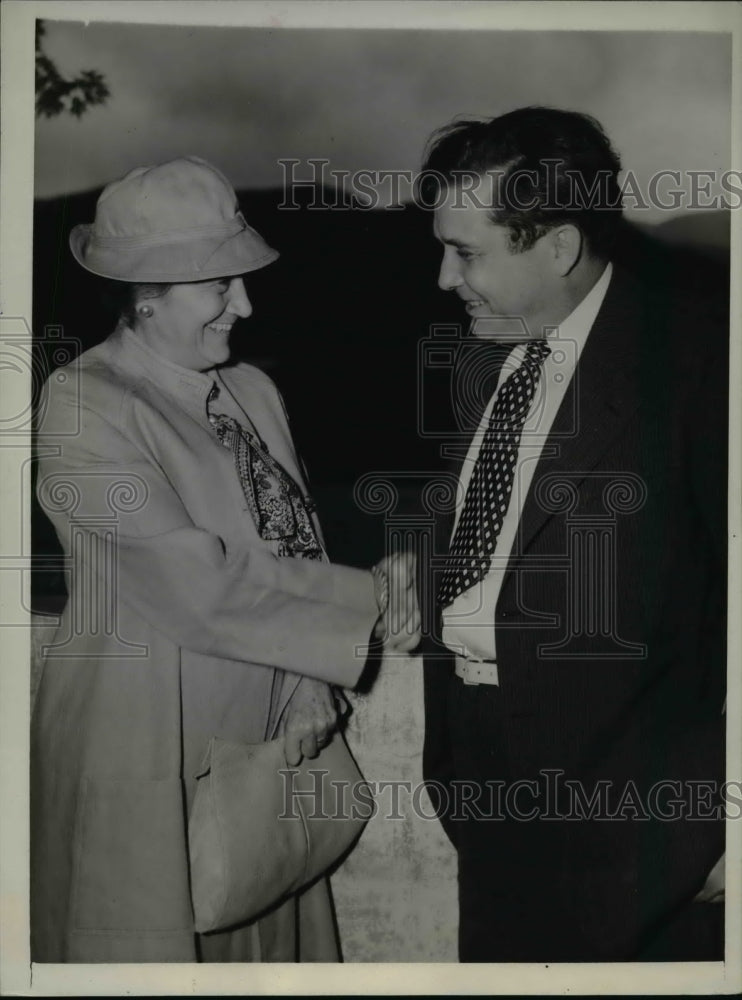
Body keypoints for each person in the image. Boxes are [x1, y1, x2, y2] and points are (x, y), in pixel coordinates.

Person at [31, 156, 420, 963]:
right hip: (147, 735)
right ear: (146, 295)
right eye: (220, 285)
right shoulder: (84, 402)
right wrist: (369, 601)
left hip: (268, 741)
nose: (245, 305)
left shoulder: (253, 390)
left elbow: (294, 540)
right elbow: (193, 582)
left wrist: (308, 681)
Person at [420, 107, 727, 961]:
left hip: (646, 844)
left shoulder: (702, 363)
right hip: (489, 814)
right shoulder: (492, 353)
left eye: (466, 253)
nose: (444, 279)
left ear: (557, 246)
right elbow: (507, 535)